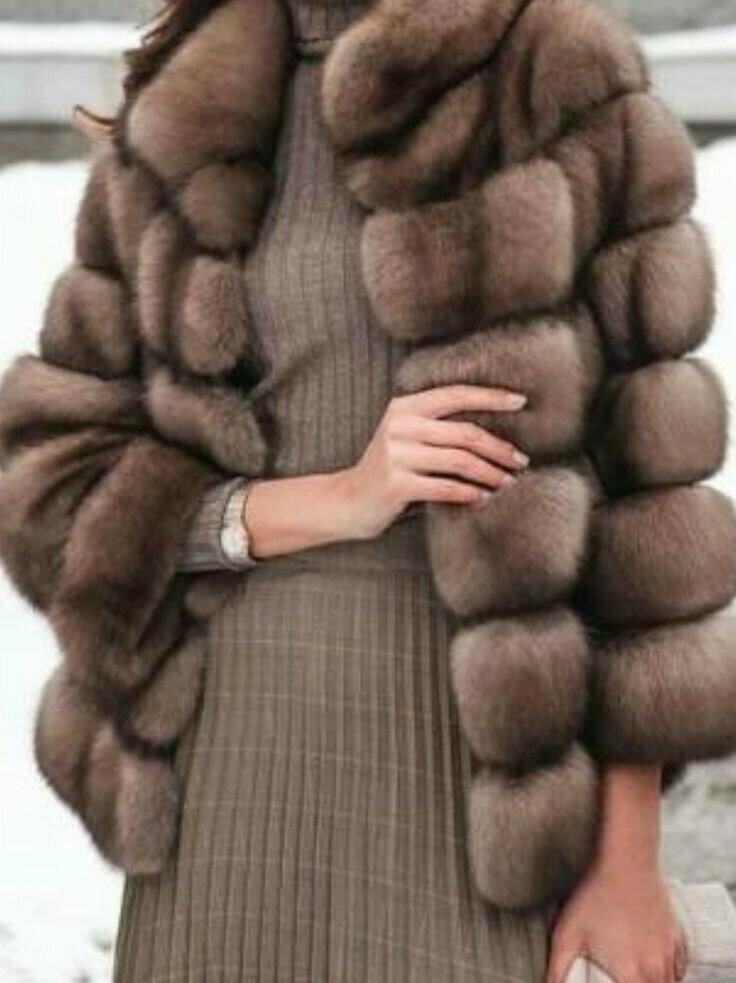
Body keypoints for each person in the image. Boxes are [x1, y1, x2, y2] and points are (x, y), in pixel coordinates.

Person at [1, 0, 733, 980]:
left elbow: (655, 517)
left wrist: (627, 865)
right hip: (227, 773)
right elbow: (51, 478)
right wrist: (326, 499)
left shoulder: (552, 68)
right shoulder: (188, 108)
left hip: (472, 790)